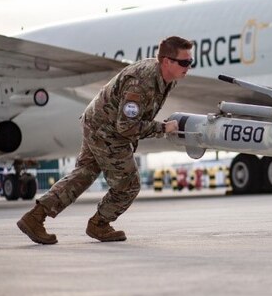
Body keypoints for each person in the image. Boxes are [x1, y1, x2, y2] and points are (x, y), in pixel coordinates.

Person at [17, 36, 194, 244]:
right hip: (105, 130)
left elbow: (135, 119)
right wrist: (162, 128)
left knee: (83, 175)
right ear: (167, 62)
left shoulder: (166, 80)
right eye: (184, 62)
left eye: (190, 62)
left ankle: (35, 218)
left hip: (102, 124)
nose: (188, 66)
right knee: (128, 184)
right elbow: (126, 126)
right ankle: (99, 224)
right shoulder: (140, 83)